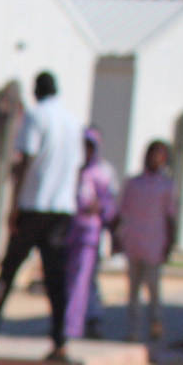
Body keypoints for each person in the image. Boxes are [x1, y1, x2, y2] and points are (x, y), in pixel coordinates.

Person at [0, 72, 83, 360]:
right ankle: (60, 340)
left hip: (33, 206)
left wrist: (14, 206)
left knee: (7, 274)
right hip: (62, 209)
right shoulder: (72, 122)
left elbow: (25, 161)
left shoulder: (35, 117)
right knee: (55, 279)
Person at [115, 139, 179, 343]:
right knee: (133, 290)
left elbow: (171, 217)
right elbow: (122, 212)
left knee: (153, 288)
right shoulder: (134, 183)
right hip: (134, 241)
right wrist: (117, 238)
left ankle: (156, 324)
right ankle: (133, 330)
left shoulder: (167, 186)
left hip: (155, 243)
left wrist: (170, 243)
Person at [66, 130, 117, 343]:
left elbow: (109, 206)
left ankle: (77, 323)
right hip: (70, 232)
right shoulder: (73, 171)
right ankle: (67, 320)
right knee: (69, 278)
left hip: (89, 234)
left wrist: (99, 209)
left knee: (84, 280)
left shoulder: (101, 174)